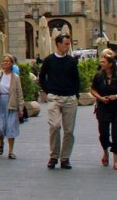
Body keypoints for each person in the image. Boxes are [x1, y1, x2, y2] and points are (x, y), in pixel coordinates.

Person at [39, 33, 79, 169]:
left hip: (69, 98)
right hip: (54, 97)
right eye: (66, 44)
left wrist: (75, 95)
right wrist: (48, 90)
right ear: (58, 44)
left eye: (69, 44)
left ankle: (65, 158)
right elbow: (42, 76)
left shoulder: (71, 61)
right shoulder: (49, 60)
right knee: (54, 126)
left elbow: (76, 79)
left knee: (69, 130)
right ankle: (53, 156)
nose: (68, 46)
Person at [91, 49, 117, 170]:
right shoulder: (98, 76)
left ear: (110, 64)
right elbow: (92, 89)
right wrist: (100, 98)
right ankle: (105, 151)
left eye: (103, 62)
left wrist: (116, 96)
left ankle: (116, 160)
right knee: (103, 134)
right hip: (103, 107)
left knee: (116, 134)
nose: (101, 63)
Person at [0, 54, 26, 159]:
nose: (5, 63)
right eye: (4, 61)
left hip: (12, 102)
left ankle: (11, 151)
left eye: (7, 61)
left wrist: (21, 108)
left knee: (11, 127)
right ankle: (1, 142)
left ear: (11, 63)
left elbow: (19, 93)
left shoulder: (15, 77)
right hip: (0, 102)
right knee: (0, 126)